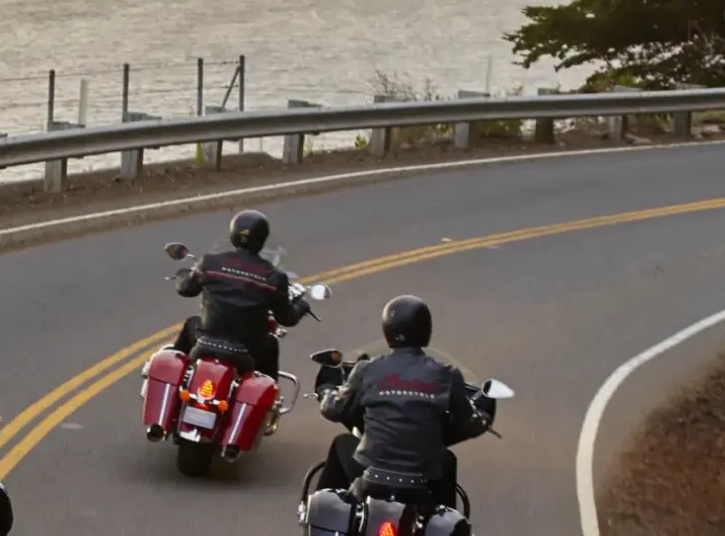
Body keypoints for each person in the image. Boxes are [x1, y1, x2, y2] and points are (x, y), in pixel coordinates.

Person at [314, 295, 495, 510]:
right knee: (447, 460)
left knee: (341, 443)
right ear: (427, 330)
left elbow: (333, 409)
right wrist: (483, 416)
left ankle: (320, 511)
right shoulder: (447, 375)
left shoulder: (367, 369)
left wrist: (326, 391)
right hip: (423, 478)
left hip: (369, 473)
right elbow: (470, 423)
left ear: (387, 330)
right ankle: (441, 516)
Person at [171, 209, 311, 381]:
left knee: (192, 322)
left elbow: (186, 289)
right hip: (247, 351)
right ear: (262, 239)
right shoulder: (274, 278)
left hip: (206, 341)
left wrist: (182, 276)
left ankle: (175, 372)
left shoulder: (210, 262)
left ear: (233, 234)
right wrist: (301, 306)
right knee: (271, 344)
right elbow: (287, 318)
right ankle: (268, 393)